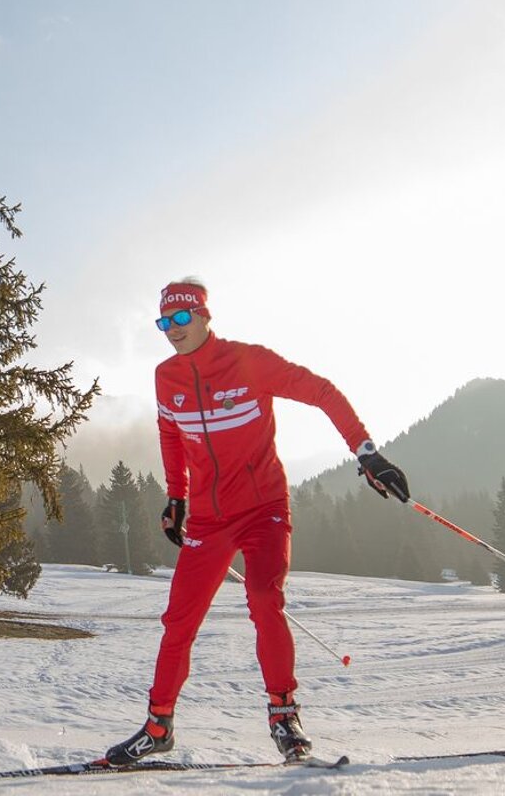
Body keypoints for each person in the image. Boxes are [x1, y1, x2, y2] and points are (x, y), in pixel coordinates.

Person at [105, 278, 409, 765]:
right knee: (178, 620)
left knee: (265, 598)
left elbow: (323, 392)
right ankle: (158, 726)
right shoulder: (166, 377)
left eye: (182, 318)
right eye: (164, 322)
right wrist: (177, 499)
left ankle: (283, 716)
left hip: (263, 508)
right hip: (207, 518)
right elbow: (170, 434)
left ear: (205, 315)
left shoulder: (249, 362)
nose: (172, 330)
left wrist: (367, 453)